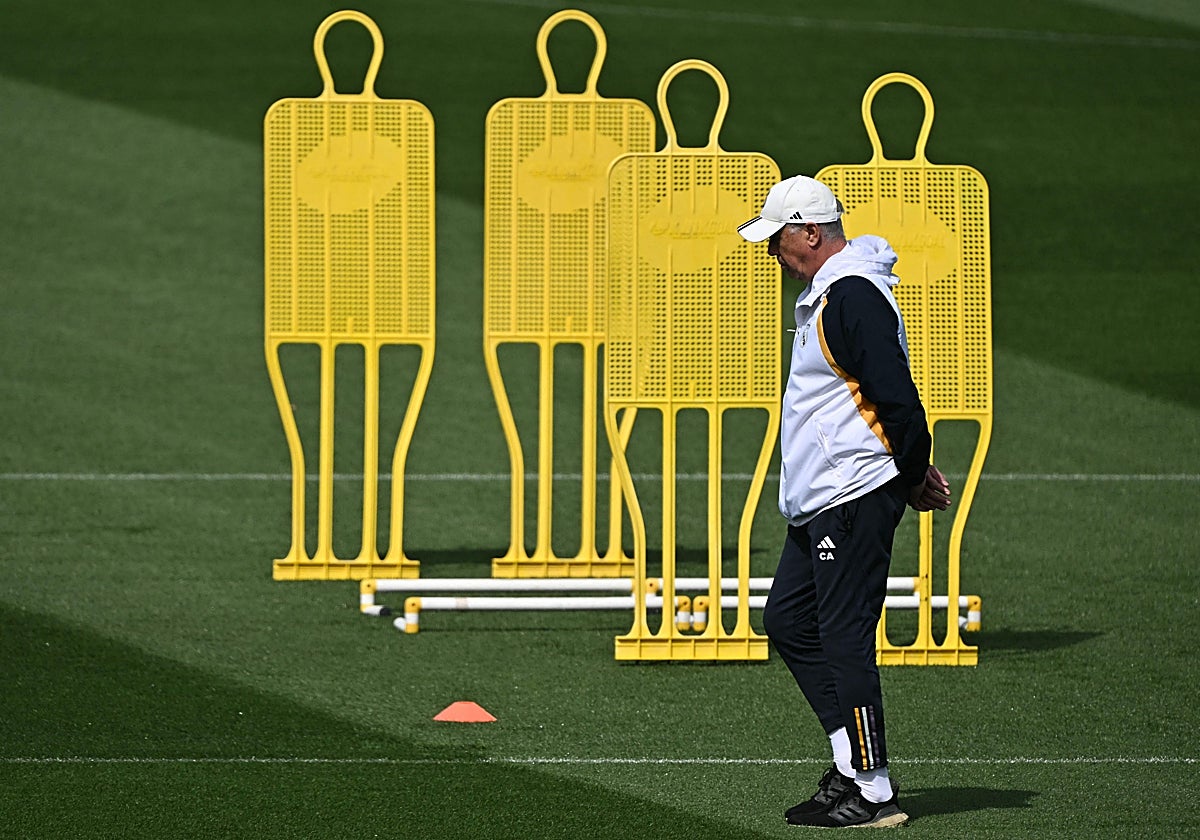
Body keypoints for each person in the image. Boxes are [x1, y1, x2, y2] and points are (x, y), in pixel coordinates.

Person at [737, 175, 952, 828]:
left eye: (777, 241)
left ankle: (875, 790)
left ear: (808, 232)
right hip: (823, 497)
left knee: (844, 637)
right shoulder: (830, 295)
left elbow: (897, 395)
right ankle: (850, 764)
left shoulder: (851, 298)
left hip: (851, 493)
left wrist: (911, 474)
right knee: (789, 621)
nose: (773, 254)